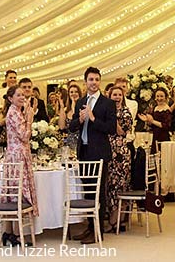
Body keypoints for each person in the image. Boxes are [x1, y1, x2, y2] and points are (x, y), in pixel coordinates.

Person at [68, 67, 116, 244]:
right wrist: (79, 120)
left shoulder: (107, 103)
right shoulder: (81, 100)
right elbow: (71, 127)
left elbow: (111, 129)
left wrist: (93, 118)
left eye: (96, 79)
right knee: (87, 192)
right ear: (85, 82)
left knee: (98, 193)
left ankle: (98, 232)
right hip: (84, 151)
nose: (93, 82)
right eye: (90, 79)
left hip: (100, 153)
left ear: (100, 81)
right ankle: (89, 227)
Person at [0, 86, 38, 247]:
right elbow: (24, 135)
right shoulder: (14, 113)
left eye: (23, 94)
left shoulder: (17, 111)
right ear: (10, 98)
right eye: (19, 95)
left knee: (14, 192)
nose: (22, 97)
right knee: (17, 193)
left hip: (18, 155)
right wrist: (30, 118)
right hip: (17, 157)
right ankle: (15, 234)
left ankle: (9, 232)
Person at [104, 86, 132, 233]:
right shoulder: (106, 111)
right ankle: (115, 219)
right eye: (114, 94)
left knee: (121, 186)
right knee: (111, 186)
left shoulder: (126, 112)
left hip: (121, 154)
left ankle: (117, 220)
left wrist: (113, 117)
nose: (116, 97)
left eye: (119, 95)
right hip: (109, 152)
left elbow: (121, 131)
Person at [139, 88, 172, 154]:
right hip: (155, 136)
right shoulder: (155, 108)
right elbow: (152, 125)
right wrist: (147, 120)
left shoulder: (167, 109)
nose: (159, 98)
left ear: (165, 97)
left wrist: (152, 121)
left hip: (163, 137)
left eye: (161, 96)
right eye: (157, 96)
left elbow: (166, 126)